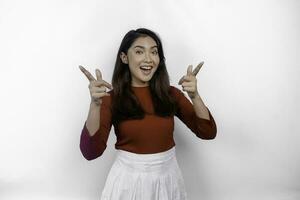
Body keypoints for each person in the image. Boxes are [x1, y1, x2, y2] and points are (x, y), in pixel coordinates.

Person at [79, 28, 217, 200]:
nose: (148, 59)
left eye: (154, 52)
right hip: (127, 183)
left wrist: (195, 96)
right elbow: (91, 152)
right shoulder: (111, 99)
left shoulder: (171, 94)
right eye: (139, 51)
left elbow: (208, 132)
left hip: (168, 180)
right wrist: (94, 105)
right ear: (124, 57)